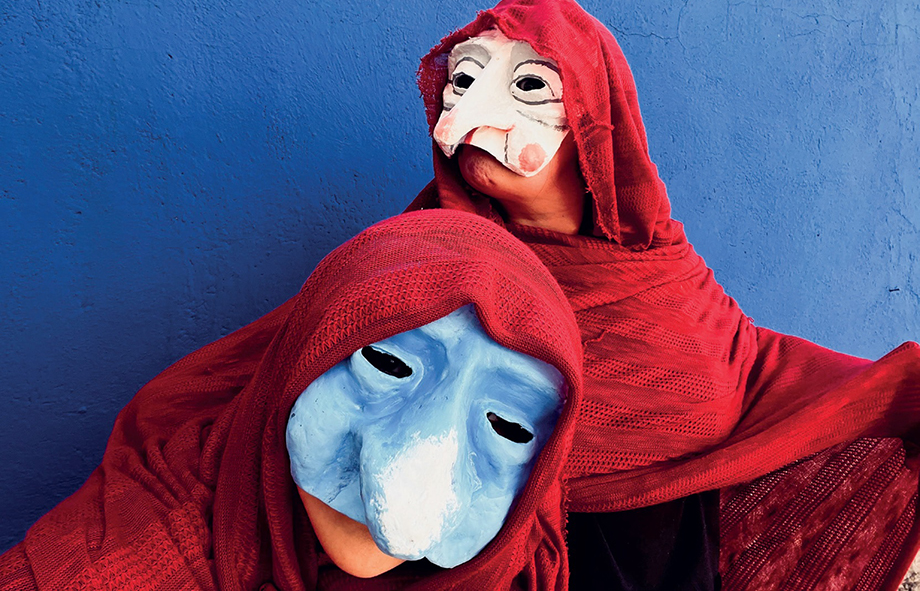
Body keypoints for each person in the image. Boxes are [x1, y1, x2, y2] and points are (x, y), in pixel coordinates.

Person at [408, 0, 920, 589]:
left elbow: (755, 373)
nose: (470, 111)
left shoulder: (663, 271)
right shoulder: (426, 263)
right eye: (462, 80)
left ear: (592, 124)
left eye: (528, 86)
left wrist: (894, 396)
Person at [0, 209, 585, 590]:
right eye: (387, 364)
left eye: (509, 428)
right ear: (299, 359)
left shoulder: (525, 571)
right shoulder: (124, 554)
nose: (398, 518)